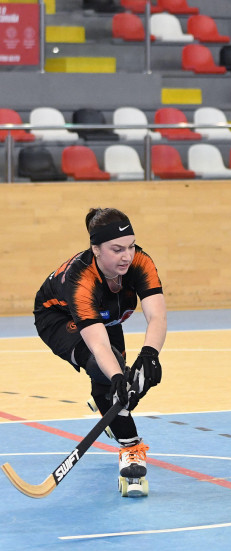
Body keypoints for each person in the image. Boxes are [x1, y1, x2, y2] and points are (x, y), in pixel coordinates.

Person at [33, 208, 166, 497]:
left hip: (107, 318)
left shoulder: (141, 262)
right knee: (108, 371)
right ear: (96, 249)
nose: (127, 256)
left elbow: (157, 317)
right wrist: (118, 376)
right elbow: (98, 346)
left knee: (127, 382)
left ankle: (105, 406)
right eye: (116, 249)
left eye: (130, 246)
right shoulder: (80, 279)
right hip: (58, 317)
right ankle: (131, 449)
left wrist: (149, 355)